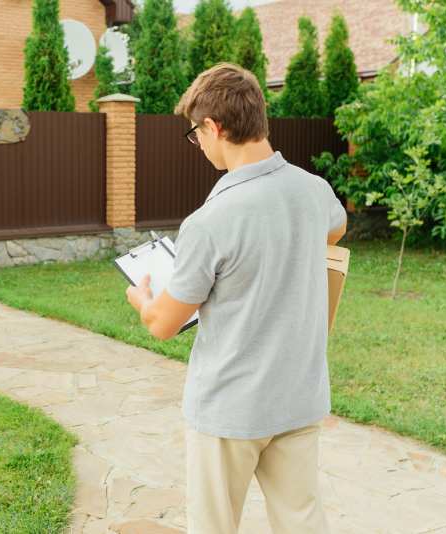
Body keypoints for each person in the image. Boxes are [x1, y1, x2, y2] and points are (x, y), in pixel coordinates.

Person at [124, 63, 347, 534]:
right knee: (302, 520)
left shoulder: (210, 221)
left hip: (230, 409)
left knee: (214, 526)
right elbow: (336, 228)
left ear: (213, 127)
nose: (199, 146)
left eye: (195, 134)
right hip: (299, 396)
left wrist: (142, 297)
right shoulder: (315, 190)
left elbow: (163, 324)